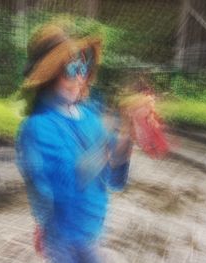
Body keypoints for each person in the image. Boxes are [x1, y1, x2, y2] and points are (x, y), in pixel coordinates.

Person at [15, 22, 134, 263]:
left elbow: (112, 174)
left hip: (93, 232)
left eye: (83, 66)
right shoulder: (36, 128)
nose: (80, 77)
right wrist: (42, 225)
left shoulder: (89, 116)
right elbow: (64, 184)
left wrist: (130, 133)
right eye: (71, 69)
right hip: (62, 239)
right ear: (48, 77)